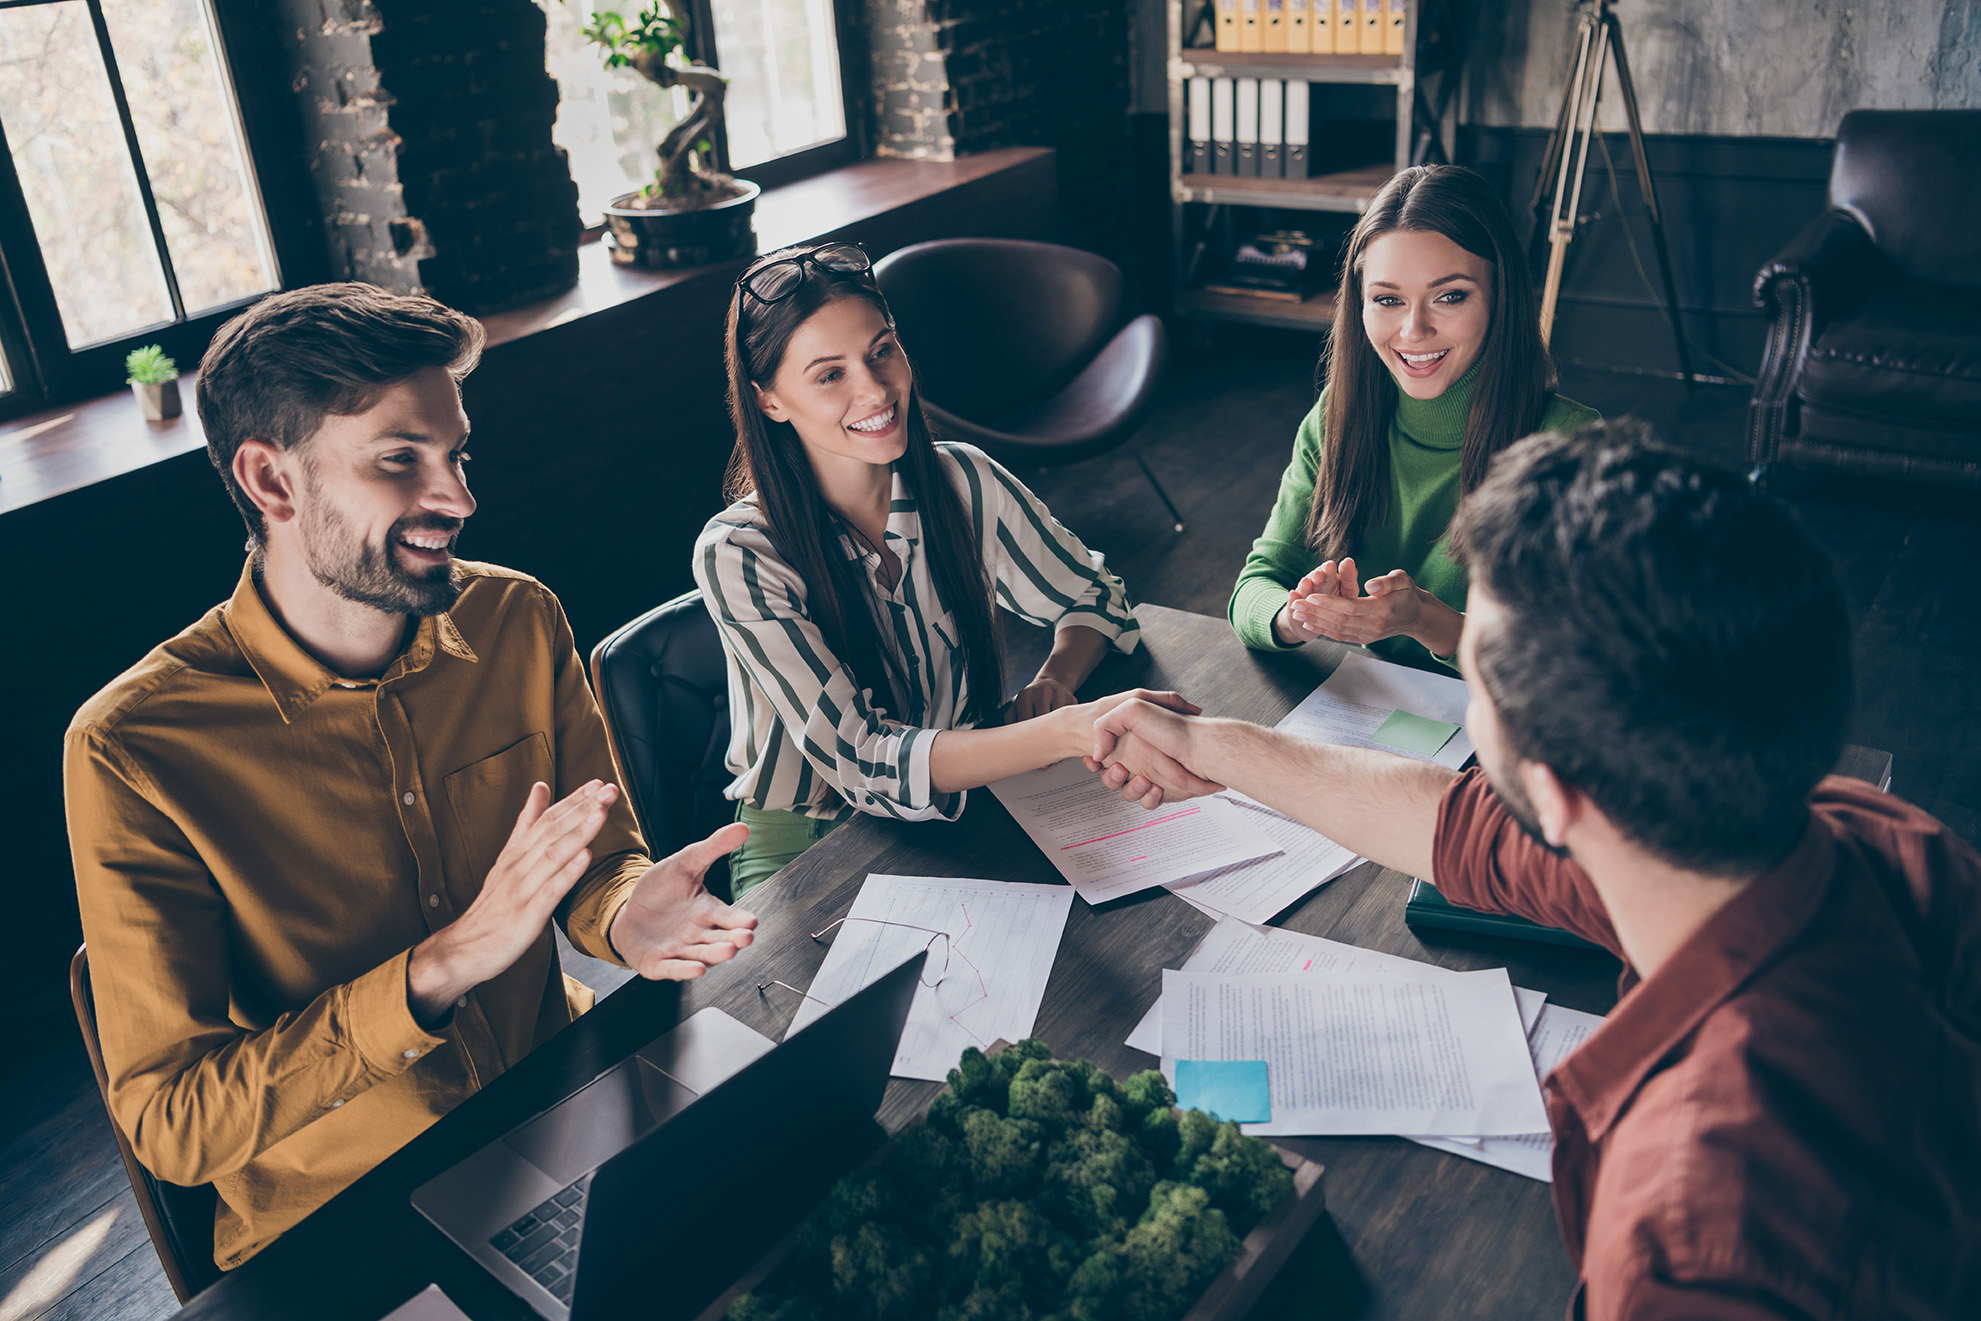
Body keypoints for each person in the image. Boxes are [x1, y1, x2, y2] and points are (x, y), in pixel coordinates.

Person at [1094, 420, 1981, 1317]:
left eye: (1480, 689)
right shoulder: (1865, 834)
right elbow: (1451, 821)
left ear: (1557, 796)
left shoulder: (1694, 1238)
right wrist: (1208, 743)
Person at [64, 284, 760, 1270]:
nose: (459, 497)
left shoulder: (518, 618)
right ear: (271, 481)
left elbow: (595, 857)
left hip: (564, 1109)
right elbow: (176, 1123)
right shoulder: (132, 748)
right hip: (352, 1224)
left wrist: (622, 911)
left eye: (456, 454)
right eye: (400, 459)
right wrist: (438, 967)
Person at [694, 241, 1203, 895]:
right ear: (769, 402)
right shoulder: (739, 553)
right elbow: (861, 759)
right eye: (829, 375)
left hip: (965, 795)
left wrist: (1058, 676)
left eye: (882, 349)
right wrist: (1067, 731)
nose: (875, 388)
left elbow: (1093, 595)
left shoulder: (962, 478)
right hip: (811, 835)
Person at [1230, 164, 1599, 671]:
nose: (1413, 329)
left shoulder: (1572, 447)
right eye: (1387, 299)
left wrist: (1424, 618)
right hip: (1373, 713)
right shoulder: (1338, 415)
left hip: (1501, 731)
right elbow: (1256, 585)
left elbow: (1564, 663)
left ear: (1500, 297)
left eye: (1450, 296)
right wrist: (1298, 615)